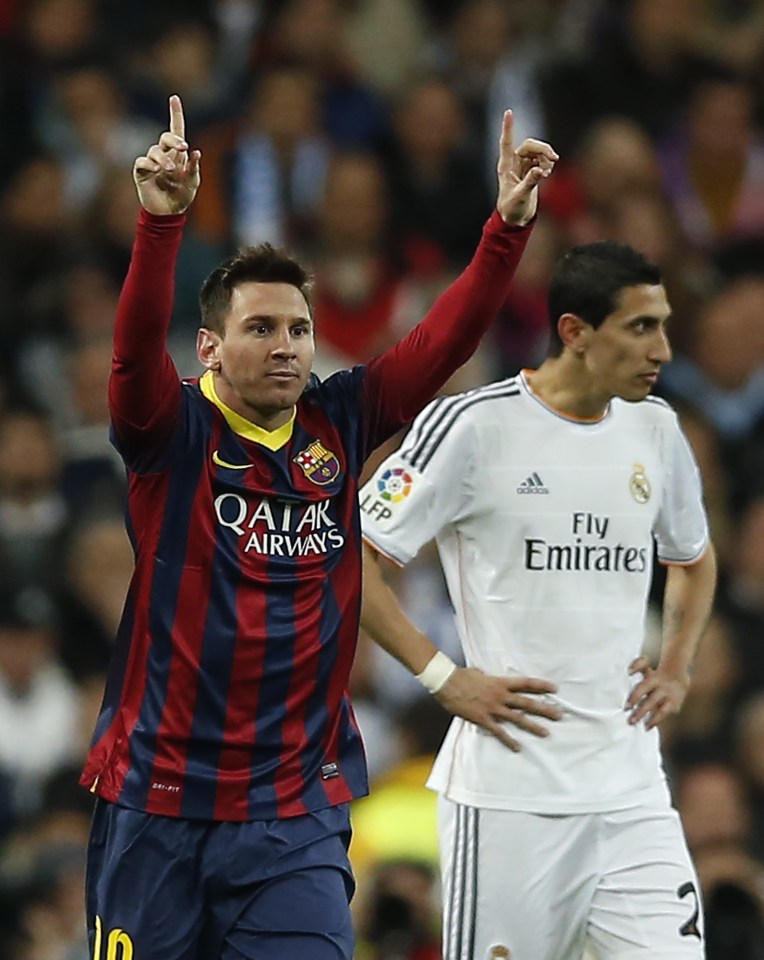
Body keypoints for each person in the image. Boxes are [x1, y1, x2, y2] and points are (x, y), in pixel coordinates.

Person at [78, 94, 557, 960]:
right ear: (210, 349)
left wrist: (507, 227)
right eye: (260, 328)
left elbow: (441, 345)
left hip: (292, 813)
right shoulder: (169, 431)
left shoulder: (340, 419)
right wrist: (161, 224)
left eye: (298, 328)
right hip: (158, 800)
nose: (289, 345)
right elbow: (130, 354)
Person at [360, 240, 718, 959]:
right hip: (509, 795)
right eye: (641, 327)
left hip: (631, 790)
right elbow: (350, 561)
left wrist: (677, 664)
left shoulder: (657, 432)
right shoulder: (469, 427)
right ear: (575, 332)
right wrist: (443, 677)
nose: (665, 350)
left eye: (665, 324)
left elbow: (694, 558)